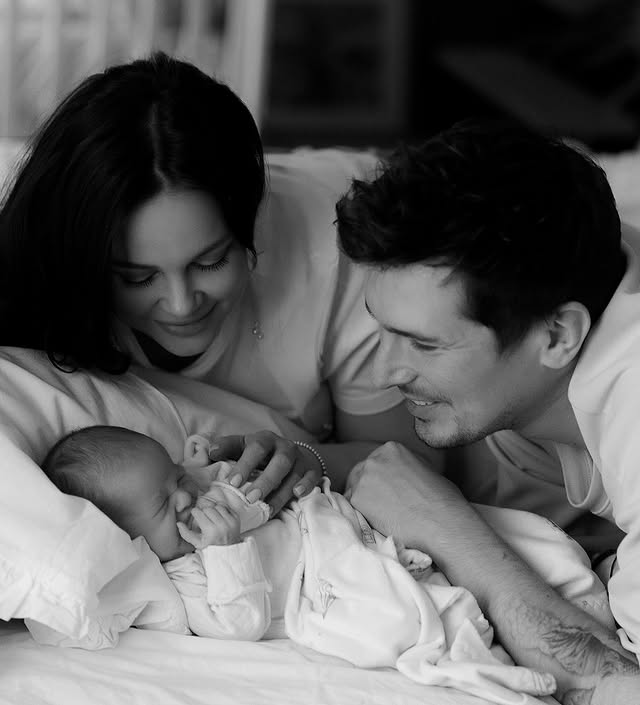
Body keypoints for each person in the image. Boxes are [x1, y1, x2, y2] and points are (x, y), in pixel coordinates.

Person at [0, 52, 435, 515]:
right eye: (137, 277)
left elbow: (415, 462)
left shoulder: (345, 255)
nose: (181, 305)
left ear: (249, 223)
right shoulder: (43, 274)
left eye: (210, 262)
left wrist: (310, 460)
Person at [335, 119, 640, 704]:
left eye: (425, 345)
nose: (382, 374)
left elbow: (619, 689)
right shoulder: (589, 264)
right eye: (382, 330)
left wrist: (441, 524)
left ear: (558, 334)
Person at [39, 424, 612, 703]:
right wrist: (225, 550)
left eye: (175, 477)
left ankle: (587, 596)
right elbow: (238, 624)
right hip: (328, 587)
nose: (188, 498)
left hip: (350, 528)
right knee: (408, 624)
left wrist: (200, 467)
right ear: (130, 541)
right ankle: (490, 672)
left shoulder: (202, 495)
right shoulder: (185, 576)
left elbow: (253, 497)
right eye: (165, 505)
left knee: (516, 539)